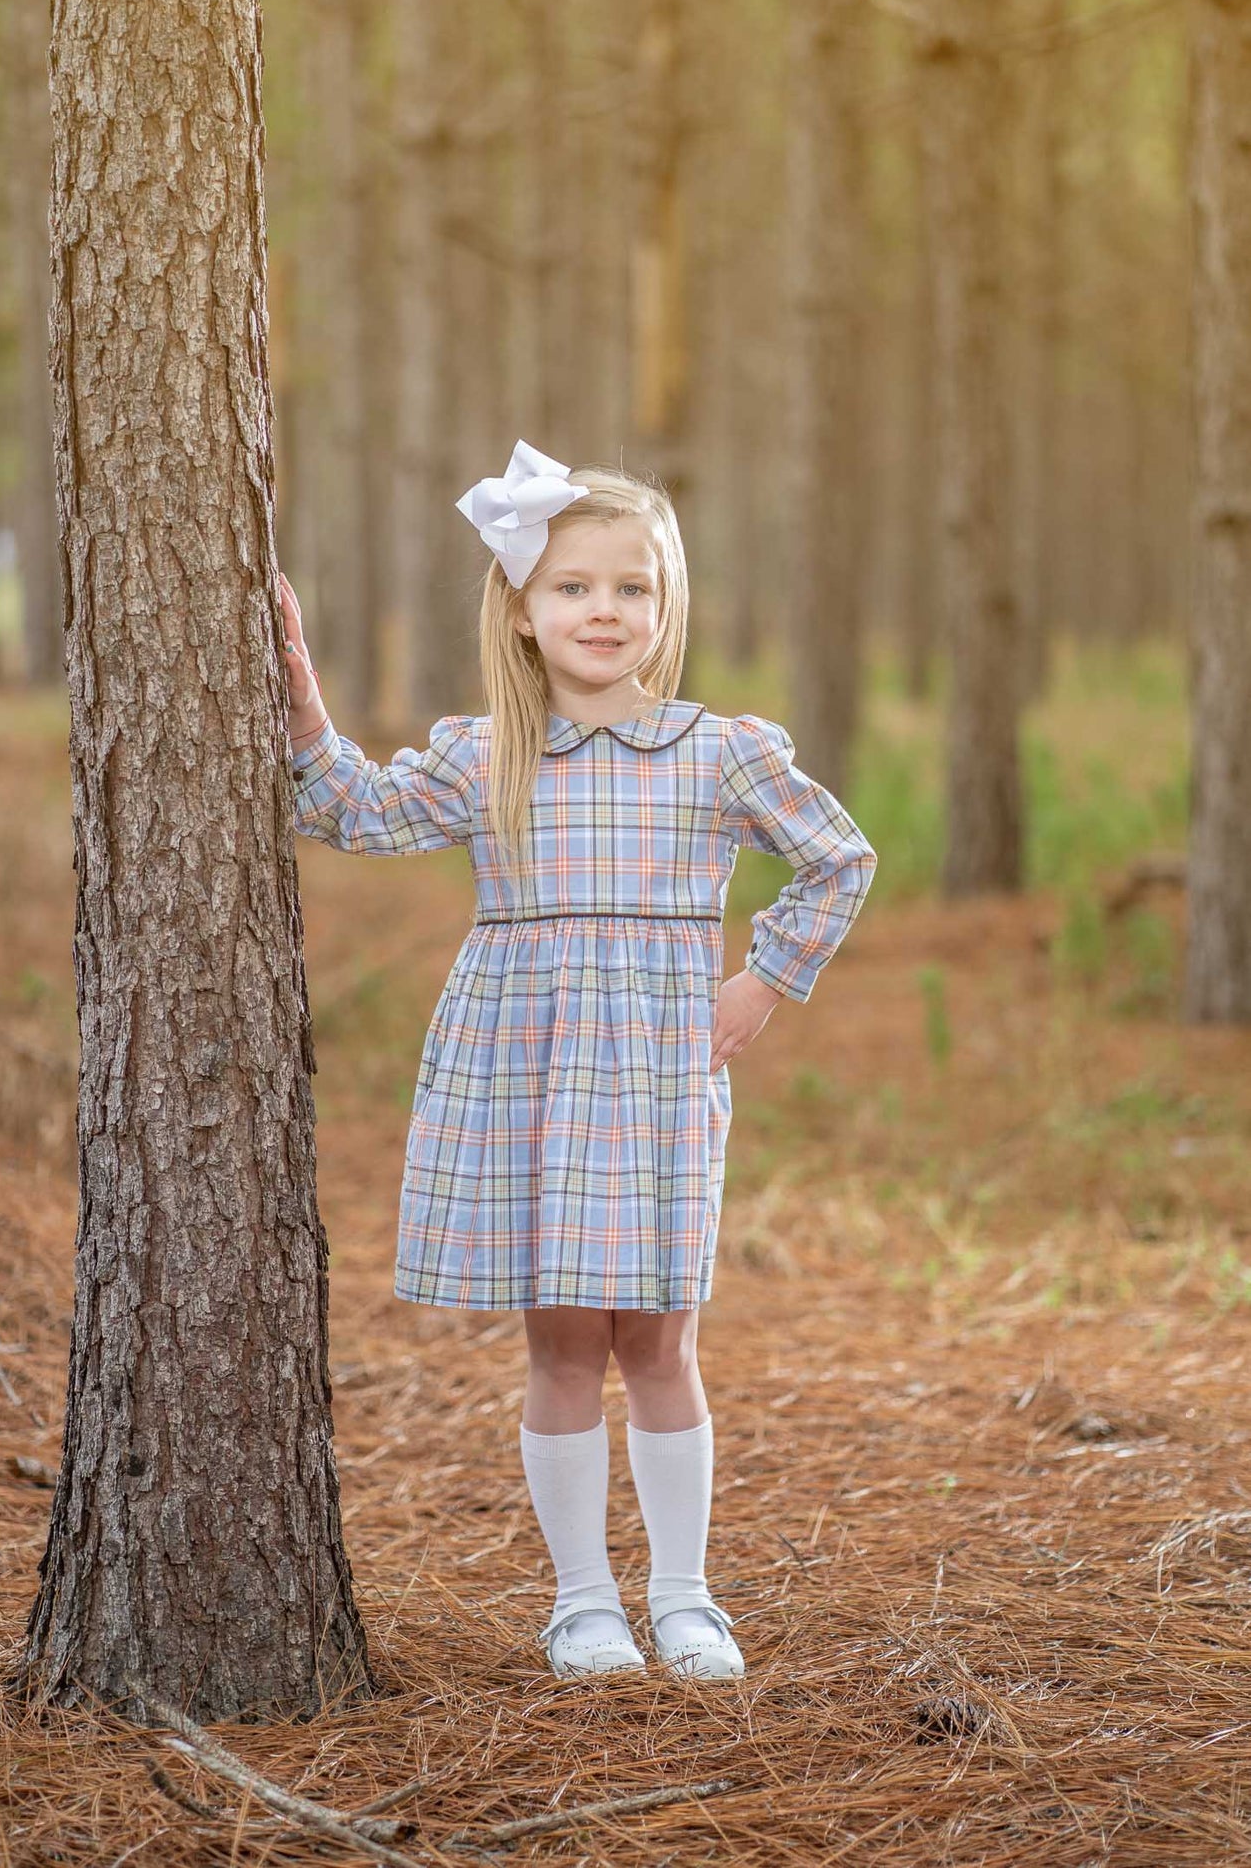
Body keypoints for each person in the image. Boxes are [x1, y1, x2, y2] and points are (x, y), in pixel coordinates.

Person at [280, 440, 877, 1683]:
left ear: (665, 605)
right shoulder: (486, 753)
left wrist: (763, 979)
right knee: (559, 1346)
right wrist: (302, 706)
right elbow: (353, 810)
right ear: (520, 608)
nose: (603, 610)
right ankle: (581, 1602)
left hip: (656, 1067)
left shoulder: (718, 751)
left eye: (630, 587)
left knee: (658, 1340)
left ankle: (685, 1596)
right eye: (571, 586)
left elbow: (838, 858)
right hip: (527, 1065)